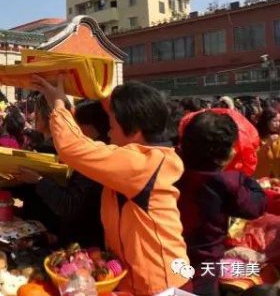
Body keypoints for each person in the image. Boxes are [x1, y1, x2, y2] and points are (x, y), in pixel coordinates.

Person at [32, 77, 190, 295]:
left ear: (135, 130)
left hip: (156, 283)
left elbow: (72, 148)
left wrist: (57, 105)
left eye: (113, 126)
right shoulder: (150, 156)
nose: (108, 133)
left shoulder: (140, 163)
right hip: (141, 277)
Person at [177, 111, 266, 296]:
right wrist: (244, 178)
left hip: (171, 254)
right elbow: (255, 206)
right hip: (204, 262)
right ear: (224, 153)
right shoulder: (226, 182)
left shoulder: (173, 169)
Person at [16, 98, 106, 248]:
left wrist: (38, 180)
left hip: (75, 242)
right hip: (54, 230)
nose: (72, 130)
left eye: (76, 125)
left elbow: (70, 204)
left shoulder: (91, 158)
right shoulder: (45, 144)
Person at [254, 108, 280, 178]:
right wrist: (267, 144)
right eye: (275, 121)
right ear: (266, 121)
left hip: (276, 177)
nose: (278, 124)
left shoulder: (278, 136)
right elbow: (254, 157)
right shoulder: (256, 136)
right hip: (261, 177)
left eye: (279, 121)